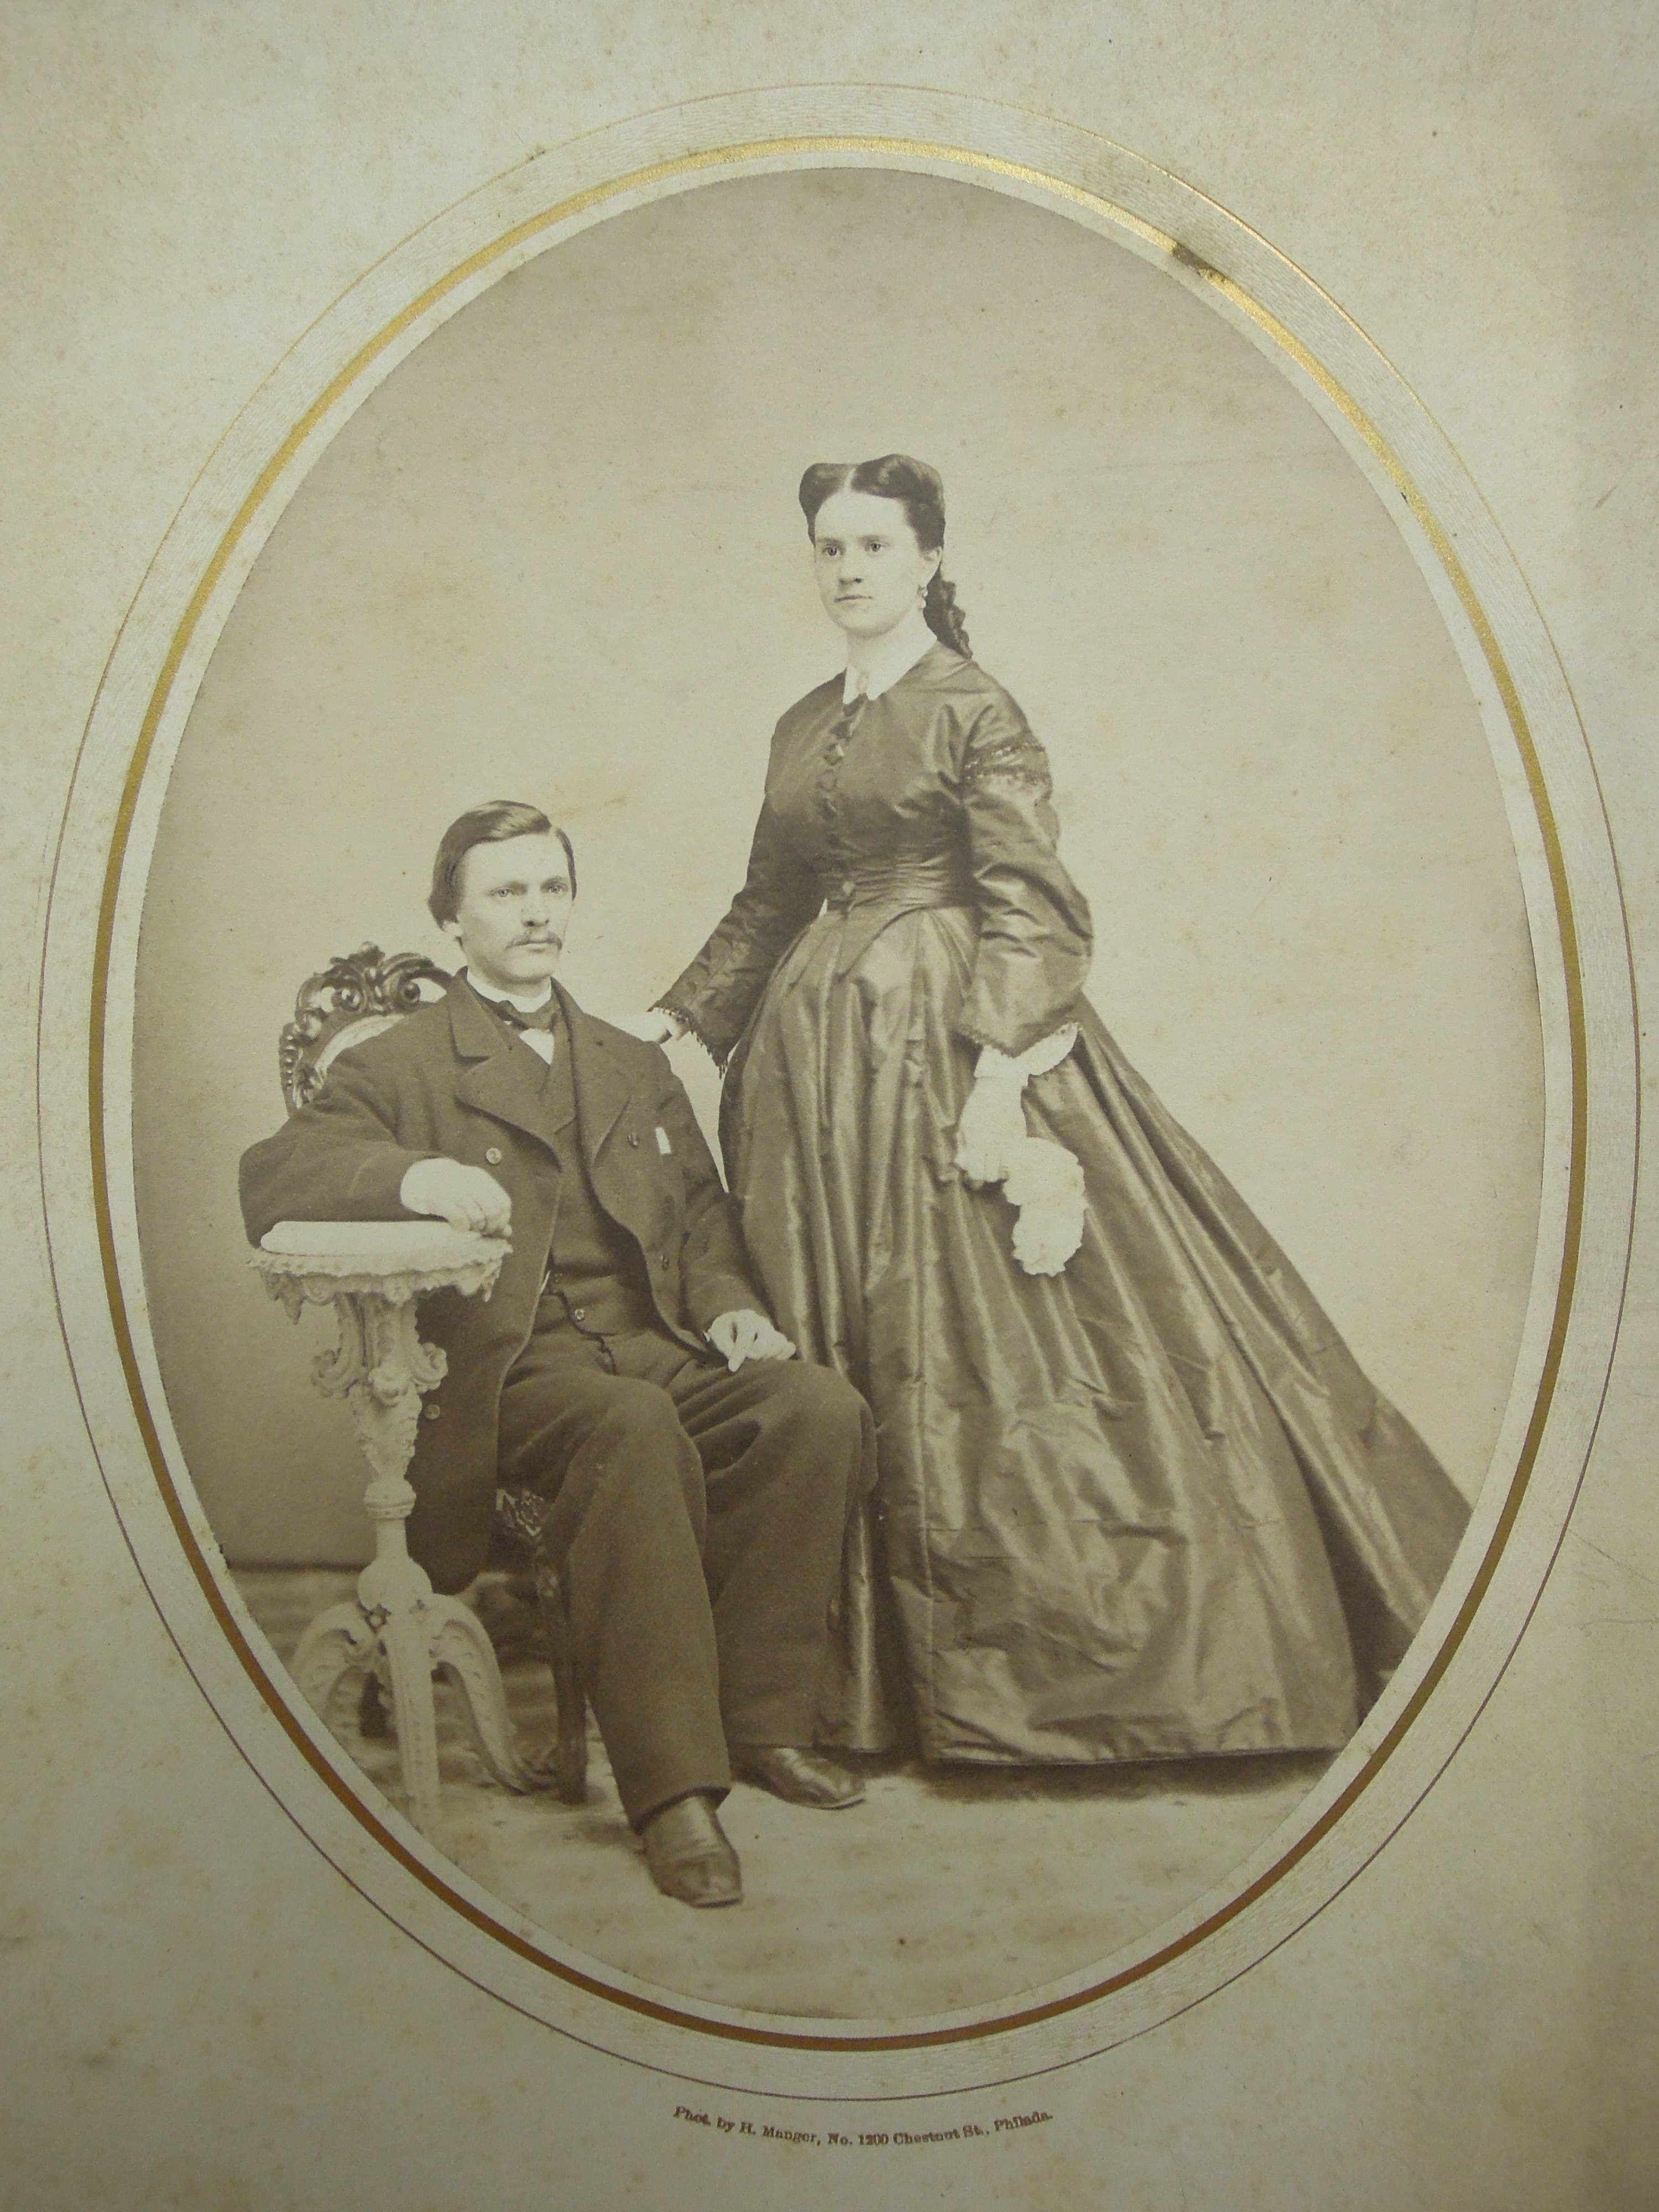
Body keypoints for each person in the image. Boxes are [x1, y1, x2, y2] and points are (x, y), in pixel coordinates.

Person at [622, 453, 1472, 1770]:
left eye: (874, 546)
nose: (848, 568)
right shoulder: (801, 721)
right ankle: (847, 1685)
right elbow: (769, 899)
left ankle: (1046, 1677)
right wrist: (677, 1020)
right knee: (836, 1340)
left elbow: (1034, 899)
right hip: (807, 1076)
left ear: (928, 560)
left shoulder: (977, 708)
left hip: (946, 1047)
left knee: (988, 1358)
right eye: (829, 546)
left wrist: (1003, 1068)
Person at [240, 801, 874, 1907]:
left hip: (651, 1340)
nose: (535, 913)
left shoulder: (631, 1059)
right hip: (506, 1370)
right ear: (451, 922)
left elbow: (704, 1219)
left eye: (551, 888)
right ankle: (676, 1791)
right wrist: (413, 1178)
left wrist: (727, 1308)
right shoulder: (400, 1064)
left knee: (815, 1408)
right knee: (629, 1429)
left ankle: (761, 1719)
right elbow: (274, 1172)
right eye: (505, 892)